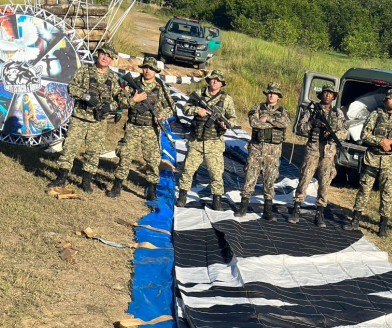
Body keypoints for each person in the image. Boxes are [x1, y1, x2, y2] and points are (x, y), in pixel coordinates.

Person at [47, 43, 123, 193]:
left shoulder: (114, 78)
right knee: (70, 147)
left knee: (93, 152)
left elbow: (121, 99)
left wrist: (112, 107)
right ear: (98, 54)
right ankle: (62, 177)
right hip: (80, 117)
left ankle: (86, 181)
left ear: (112, 60)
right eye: (102, 54)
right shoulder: (85, 70)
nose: (104, 57)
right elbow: (71, 88)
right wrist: (85, 96)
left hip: (98, 121)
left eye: (108, 56)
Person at [344, 89, 392, 237]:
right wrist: (380, 142)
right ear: (385, 101)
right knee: (364, 190)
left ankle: (383, 227)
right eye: (391, 98)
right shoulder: (375, 115)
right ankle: (355, 220)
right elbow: (364, 135)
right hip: (372, 159)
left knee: (387, 194)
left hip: (390, 163)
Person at [106, 57, 174, 201]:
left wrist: (162, 115)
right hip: (133, 127)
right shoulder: (133, 84)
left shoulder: (161, 87)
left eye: (150, 68)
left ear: (155, 70)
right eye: (145, 67)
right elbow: (121, 102)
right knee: (125, 156)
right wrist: (133, 101)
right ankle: (117, 187)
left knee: (153, 160)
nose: (147, 70)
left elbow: (172, 107)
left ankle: (151, 191)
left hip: (151, 129)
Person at [175, 70, 236, 211]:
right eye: (212, 79)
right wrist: (198, 110)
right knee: (188, 170)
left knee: (216, 173)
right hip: (196, 140)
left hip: (214, 142)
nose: (214, 82)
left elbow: (232, 118)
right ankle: (182, 196)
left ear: (222, 84)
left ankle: (217, 200)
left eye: (217, 80)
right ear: (208, 81)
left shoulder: (226, 99)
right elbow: (185, 109)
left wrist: (225, 124)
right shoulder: (198, 94)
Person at [290, 83, 347, 227]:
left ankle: (320, 212)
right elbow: (299, 128)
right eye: (325, 92)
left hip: (328, 153)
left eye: (330, 93)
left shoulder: (337, 113)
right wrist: (311, 124)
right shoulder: (311, 110)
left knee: (324, 183)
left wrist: (333, 135)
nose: (327, 95)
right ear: (321, 95)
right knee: (305, 178)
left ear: (334, 97)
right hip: (313, 150)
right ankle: (296, 209)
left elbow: (345, 132)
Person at [234, 82, 291, 220]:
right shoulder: (257, 108)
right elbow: (254, 123)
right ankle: (243, 207)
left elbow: (285, 123)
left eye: (274, 93)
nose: (271, 95)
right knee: (250, 177)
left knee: (270, 179)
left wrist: (268, 119)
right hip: (256, 149)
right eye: (269, 93)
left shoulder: (283, 112)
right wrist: (272, 124)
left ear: (278, 96)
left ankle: (268, 210)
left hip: (273, 152)